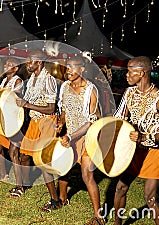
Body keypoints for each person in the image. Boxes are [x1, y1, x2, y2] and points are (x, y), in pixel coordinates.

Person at [42, 56, 105, 225]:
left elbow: (91, 121)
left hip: (86, 137)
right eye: (67, 67)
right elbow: (63, 109)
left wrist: (71, 136)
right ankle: (62, 200)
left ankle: (98, 216)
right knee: (63, 169)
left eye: (72, 67)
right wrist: (61, 122)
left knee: (87, 175)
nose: (68, 70)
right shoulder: (65, 87)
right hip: (68, 135)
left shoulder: (91, 90)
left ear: (82, 69)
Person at [113, 56, 159, 225]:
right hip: (135, 149)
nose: (126, 75)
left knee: (150, 197)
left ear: (141, 73)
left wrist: (145, 136)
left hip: (156, 150)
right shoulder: (129, 93)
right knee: (120, 188)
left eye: (130, 71)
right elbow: (120, 118)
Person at [12, 50, 58, 197]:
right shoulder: (32, 79)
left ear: (38, 62)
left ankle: (54, 198)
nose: (27, 64)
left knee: (41, 161)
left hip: (47, 122)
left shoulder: (49, 80)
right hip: (34, 120)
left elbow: (51, 108)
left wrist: (27, 105)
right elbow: (26, 100)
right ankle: (23, 186)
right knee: (24, 155)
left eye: (29, 61)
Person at [0, 57, 23, 185]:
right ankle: (1, 173)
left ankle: (19, 185)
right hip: (2, 118)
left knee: (14, 151)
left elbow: (14, 99)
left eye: (9, 65)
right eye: (5, 64)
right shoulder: (3, 81)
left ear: (16, 68)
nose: (6, 67)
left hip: (12, 119)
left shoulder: (18, 81)